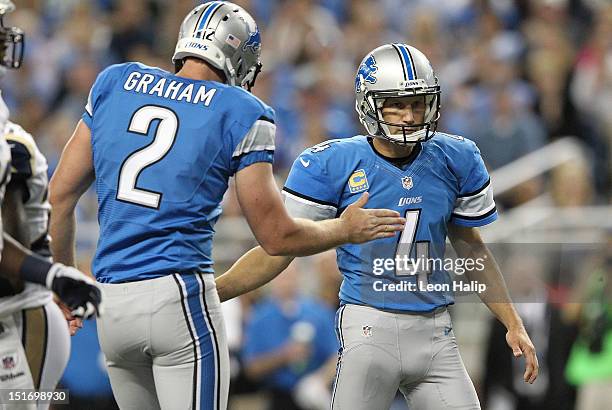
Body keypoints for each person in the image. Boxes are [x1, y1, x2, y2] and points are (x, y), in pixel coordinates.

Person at [48, 2, 404, 410]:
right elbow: (276, 236)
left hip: (112, 303)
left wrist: (66, 282)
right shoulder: (242, 109)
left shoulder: (116, 81)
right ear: (238, 56)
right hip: (178, 295)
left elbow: (58, 197)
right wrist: (344, 228)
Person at [216, 43, 540, 409]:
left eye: (417, 103)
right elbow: (279, 248)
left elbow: (472, 248)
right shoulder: (332, 163)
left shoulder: (456, 157)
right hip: (369, 325)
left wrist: (513, 321)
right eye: (396, 104)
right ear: (369, 104)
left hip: (436, 331)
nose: (409, 115)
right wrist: (216, 291)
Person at [0, 2, 101, 409]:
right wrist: (57, 275)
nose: (7, 35)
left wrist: (54, 276)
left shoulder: (9, 138)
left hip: (16, 318)